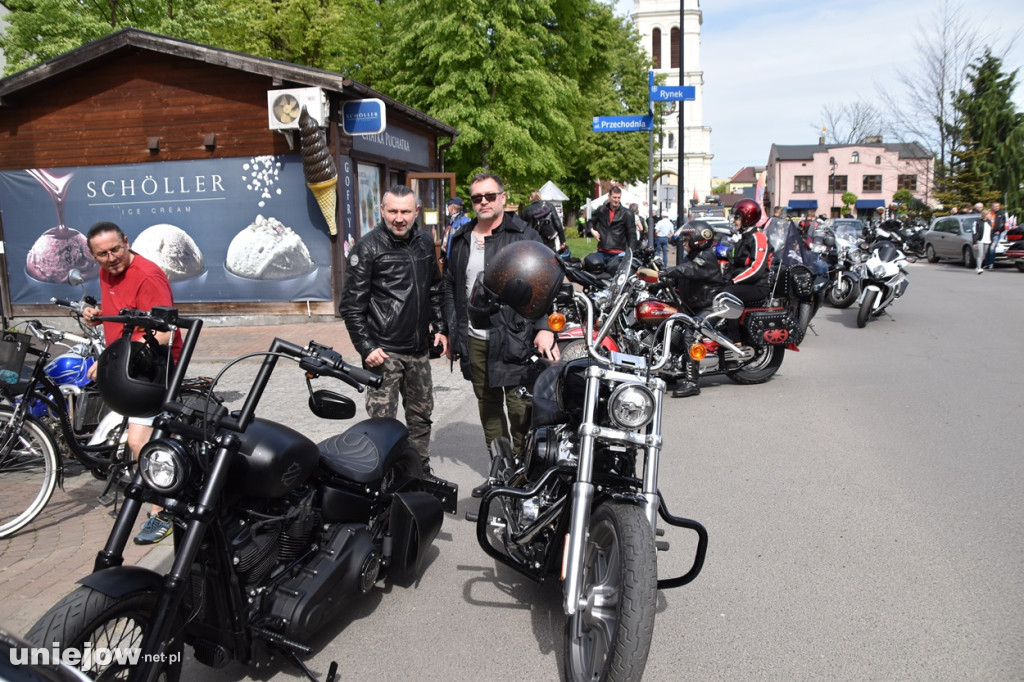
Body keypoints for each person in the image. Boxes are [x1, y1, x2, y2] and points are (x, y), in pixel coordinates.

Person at [442, 173, 560, 495]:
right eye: (477, 197)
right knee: (488, 407)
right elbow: (450, 286)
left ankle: (526, 477)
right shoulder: (462, 236)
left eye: (490, 196)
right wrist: (451, 331)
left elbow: (546, 284)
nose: (483, 202)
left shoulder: (523, 234)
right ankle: (501, 472)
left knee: (520, 409)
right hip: (474, 338)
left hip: (516, 337)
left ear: (503, 198)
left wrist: (544, 327)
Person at [82, 221, 183, 545]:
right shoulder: (106, 273)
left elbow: (165, 333)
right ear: (93, 255)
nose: (111, 258)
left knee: (141, 442)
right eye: (103, 254)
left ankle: (163, 512)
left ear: (127, 242)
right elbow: (128, 315)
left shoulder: (147, 275)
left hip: (154, 367)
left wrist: (111, 356)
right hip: (129, 364)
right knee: (148, 437)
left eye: (116, 249)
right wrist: (98, 315)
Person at [340, 185, 448, 471]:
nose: (399, 218)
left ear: (416, 213)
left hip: (418, 351)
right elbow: (351, 306)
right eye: (393, 211)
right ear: (382, 211)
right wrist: (366, 347)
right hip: (383, 353)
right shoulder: (367, 248)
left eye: (405, 212)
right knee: (381, 425)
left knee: (421, 417)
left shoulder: (425, 243)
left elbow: (435, 289)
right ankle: (382, 476)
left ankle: (419, 470)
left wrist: (439, 326)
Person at [661, 223, 726, 398]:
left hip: (710, 306)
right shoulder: (692, 255)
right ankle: (669, 371)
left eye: (687, 239)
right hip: (693, 305)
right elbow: (682, 277)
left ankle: (691, 382)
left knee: (690, 334)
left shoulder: (706, 257)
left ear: (698, 240)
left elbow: (689, 270)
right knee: (670, 325)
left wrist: (667, 272)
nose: (683, 243)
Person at [724, 198, 772, 305]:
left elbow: (757, 269)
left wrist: (733, 281)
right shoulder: (743, 238)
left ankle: (732, 322)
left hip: (757, 286)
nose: (734, 221)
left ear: (747, 218)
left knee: (726, 293)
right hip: (744, 284)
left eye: (737, 217)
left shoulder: (758, 238)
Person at [589, 186, 636, 263]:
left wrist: (630, 254)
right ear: (609, 197)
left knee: (615, 274)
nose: (617, 200)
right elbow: (590, 222)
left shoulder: (627, 213)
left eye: (618, 198)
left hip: (618, 253)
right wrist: (592, 230)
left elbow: (632, 235)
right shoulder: (601, 210)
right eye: (614, 197)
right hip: (601, 251)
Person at [440, 196, 471, 266]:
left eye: (448, 206)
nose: (447, 208)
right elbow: (446, 240)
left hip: (457, 261)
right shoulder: (450, 222)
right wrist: (442, 254)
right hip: (447, 259)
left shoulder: (465, 222)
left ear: (452, 208)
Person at [984, 201, 1006, 269]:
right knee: (987, 249)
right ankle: (987, 264)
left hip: (996, 234)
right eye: (995, 206)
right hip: (988, 234)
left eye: (998, 206)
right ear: (992, 207)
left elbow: (1004, 224)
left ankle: (991, 264)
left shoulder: (1001, 213)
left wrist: (1000, 231)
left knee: (992, 248)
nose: (997, 208)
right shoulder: (988, 213)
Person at [973, 202, 990, 274]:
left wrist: (992, 240)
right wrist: (974, 242)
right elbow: (974, 232)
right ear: (985, 215)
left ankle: (978, 266)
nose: (990, 215)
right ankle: (979, 268)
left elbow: (991, 231)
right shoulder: (978, 222)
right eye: (988, 214)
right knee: (980, 254)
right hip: (980, 240)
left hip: (987, 240)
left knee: (983, 255)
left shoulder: (989, 222)